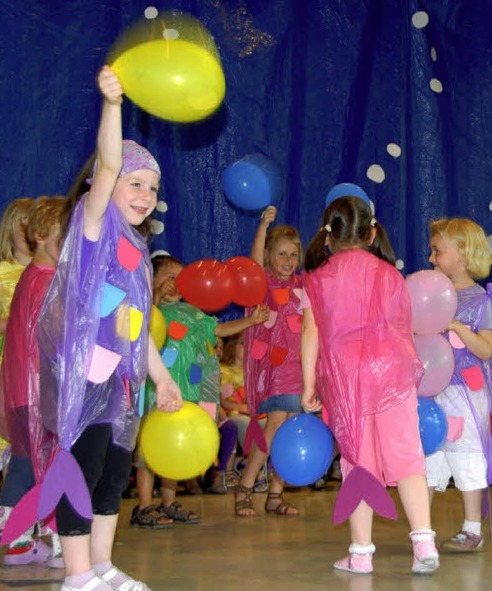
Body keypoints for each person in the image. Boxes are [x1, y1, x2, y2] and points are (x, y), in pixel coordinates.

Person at [36, 66, 183, 591]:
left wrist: (161, 378)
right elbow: (108, 159)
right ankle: (76, 575)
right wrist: (113, 106)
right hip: (83, 376)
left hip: (121, 386)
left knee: (112, 475)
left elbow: (134, 328)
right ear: (109, 185)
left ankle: (100, 564)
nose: (144, 194)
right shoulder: (93, 225)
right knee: (81, 465)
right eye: (134, 183)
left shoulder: (139, 253)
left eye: (152, 187)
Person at [301, 196, 439, 574]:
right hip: (392, 374)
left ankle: (361, 554)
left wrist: (309, 384)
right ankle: (423, 540)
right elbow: (401, 329)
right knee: (408, 456)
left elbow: (312, 332)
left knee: (357, 464)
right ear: (372, 232)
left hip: (348, 379)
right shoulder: (390, 273)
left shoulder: (315, 279)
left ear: (328, 237)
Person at [132, 255, 268, 522]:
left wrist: (251, 321)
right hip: (155, 391)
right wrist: (155, 294)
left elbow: (219, 329)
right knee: (150, 450)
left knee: (172, 448)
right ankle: (144, 505)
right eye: (169, 277)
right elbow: (143, 327)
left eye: (180, 278)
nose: (175, 283)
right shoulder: (148, 308)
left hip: (187, 393)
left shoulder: (193, 312)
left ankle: (169, 502)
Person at [424, 217, 492, 552]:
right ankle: (422, 530)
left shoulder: (483, 303)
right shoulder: (432, 295)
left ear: (461, 254)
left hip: (467, 395)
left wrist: (459, 328)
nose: (431, 258)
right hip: (435, 391)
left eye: (437, 251)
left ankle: (472, 529)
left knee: (467, 456)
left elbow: (486, 350)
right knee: (428, 456)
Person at [0, 196, 65, 567]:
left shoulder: (35, 278)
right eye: (64, 235)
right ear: (40, 234)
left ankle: (22, 537)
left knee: (29, 462)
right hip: (39, 391)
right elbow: (51, 340)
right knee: (39, 464)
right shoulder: (44, 283)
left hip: (29, 390)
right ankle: (34, 538)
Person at [235, 206, 303, 517]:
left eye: (293, 255)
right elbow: (252, 261)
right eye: (282, 254)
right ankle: (246, 485)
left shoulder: (302, 287)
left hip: (298, 368)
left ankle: (276, 493)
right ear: (269, 256)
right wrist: (263, 224)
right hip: (275, 369)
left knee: (290, 429)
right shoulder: (262, 283)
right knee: (276, 424)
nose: (288, 261)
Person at [0, 197, 32, 474]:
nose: (29, 235)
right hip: (6, 366)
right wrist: (13, 323)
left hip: (35, 370)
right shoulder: (3, 273)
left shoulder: (50, 273)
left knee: (26, 450)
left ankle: (20, 513)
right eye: (23, 228)